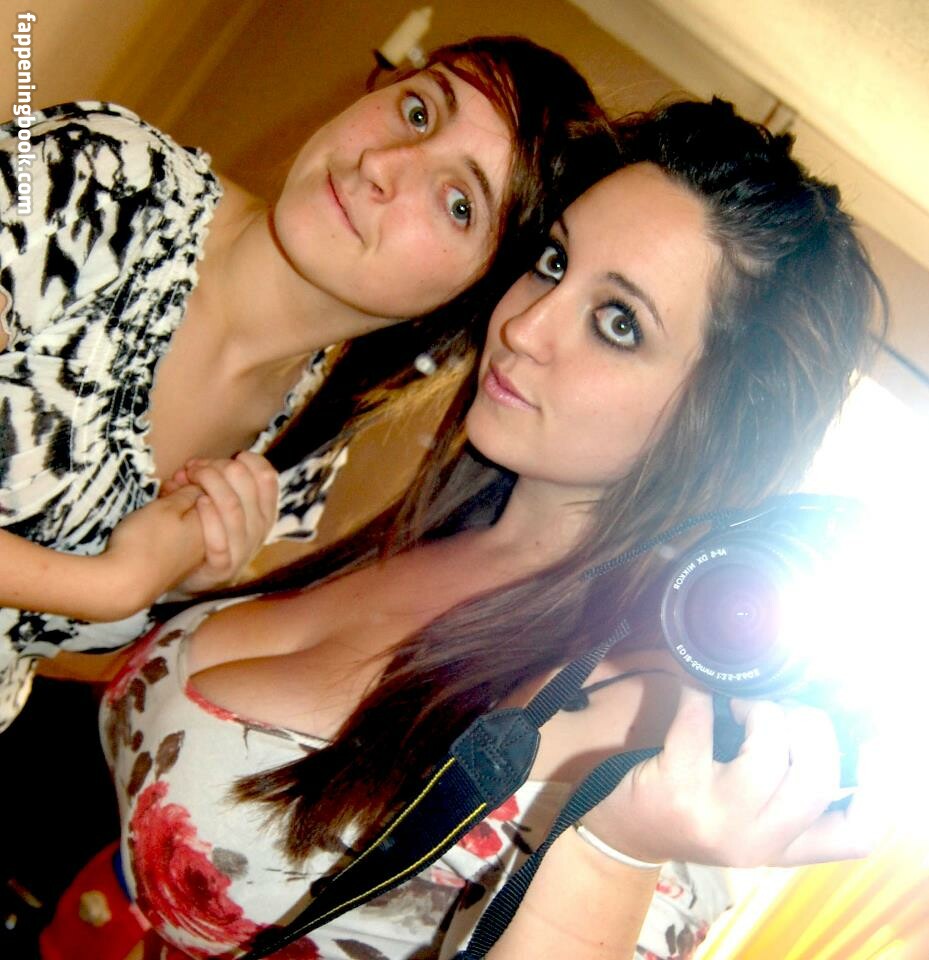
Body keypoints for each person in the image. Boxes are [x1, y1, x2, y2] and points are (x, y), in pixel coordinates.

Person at [50, 98, 885, 960]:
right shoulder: (431, 529)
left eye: (618, 323)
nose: (522, 326)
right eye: (553, 263)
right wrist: (173, 579)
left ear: (718, 428)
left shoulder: (663, 729)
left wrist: (611, 858)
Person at [0, 36, 610, 730]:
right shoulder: (104, 183)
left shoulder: (304, 447)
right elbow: (89, 592)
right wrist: (110, 585)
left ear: (471, 304)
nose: (382, 164)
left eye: (458, 204)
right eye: (418, 112)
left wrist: (185, 589)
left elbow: (46, 653)